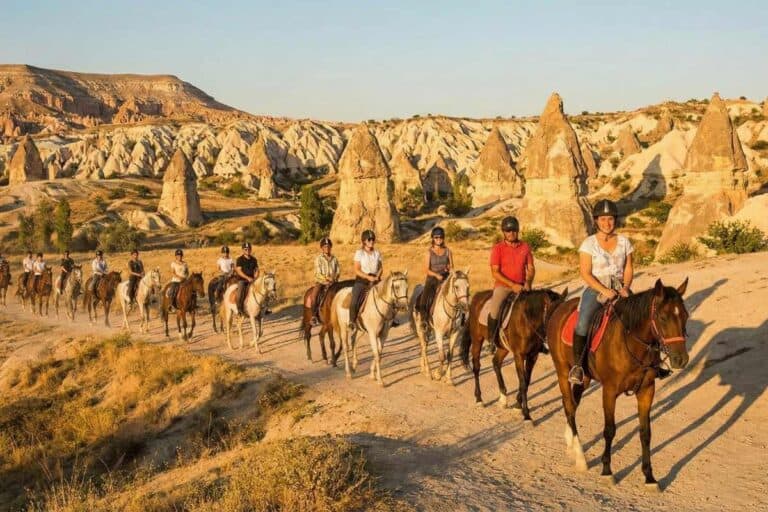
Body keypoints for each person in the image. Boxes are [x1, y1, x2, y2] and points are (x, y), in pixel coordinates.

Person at [569, 199, 634, 384]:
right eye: (603, 219)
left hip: (621, 287)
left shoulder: (624, 242)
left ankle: (652, 362)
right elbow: (585, 273)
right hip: (596, 287)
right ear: (596, 220)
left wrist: (626, 287)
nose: (607, 223)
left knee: (643, 315)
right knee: (583, 323)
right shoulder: (588, 244)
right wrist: (604, 290)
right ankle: (578, 366)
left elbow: (629, 268)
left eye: (611, 219)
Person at [486, 216, 535, 348]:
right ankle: (492, 339)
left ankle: (538, 341)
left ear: (518, 231)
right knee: (495, 310)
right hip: (504, 286)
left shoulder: (525, 247)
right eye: (508, 231)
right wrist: (512, 285)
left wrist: (528, 282)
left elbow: (530, 268)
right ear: (503, 232)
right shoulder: (498, 249)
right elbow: (495, 272)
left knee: (537, 308)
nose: (511, 233)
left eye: (514, 230)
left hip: (522, 286)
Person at [416, 226, 454, 327]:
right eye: (436, 237)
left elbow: (451, 266)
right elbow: (426, 269)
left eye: (441, 237)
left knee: (458, 292)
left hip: (445, 276)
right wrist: (436, 275)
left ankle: (461, 318)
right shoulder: (429, 252)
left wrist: (449, 269)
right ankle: (423, 319)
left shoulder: (448, 251)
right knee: (425, 296)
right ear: (433, 238)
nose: (439, 239)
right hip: (432, 278)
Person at [348, 230, 383, 332]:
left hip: (375, 279)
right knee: (355, 298)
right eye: (369, 239)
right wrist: (368, 277)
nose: (371, 241)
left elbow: (381, 267)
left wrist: (377, 276)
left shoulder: (377, 253)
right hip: (362, 280)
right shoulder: (359, 253)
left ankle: (390, 318)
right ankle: (352, 321)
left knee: (388, 294)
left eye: (373, 239)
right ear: (364, 241)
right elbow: (357, 270)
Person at [307, 237, 340, 324]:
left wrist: (335, 277)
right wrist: (327, 278)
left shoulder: (334, 259)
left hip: (334, 282)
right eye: (325, 246)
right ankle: (314, 316)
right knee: (314, 296)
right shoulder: (319, 259)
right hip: (321, 282)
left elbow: (338, 271)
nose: (327, 248)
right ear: (322, 248)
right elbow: (317, 273)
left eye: (328, 246)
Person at [235, 242, 259, 316]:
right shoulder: (239, 259)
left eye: (249, 249)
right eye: (245, 249)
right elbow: (239, 271)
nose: (247, 251)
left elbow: (257, 270)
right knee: (240, 293)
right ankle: (239, 309)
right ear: (243, 250)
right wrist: (247, 278)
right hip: (242, 280)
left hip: (252, 280)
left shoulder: (254, 259)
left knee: (262, 291)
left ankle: (264, 308)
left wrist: (256, 277)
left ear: (251, 249)